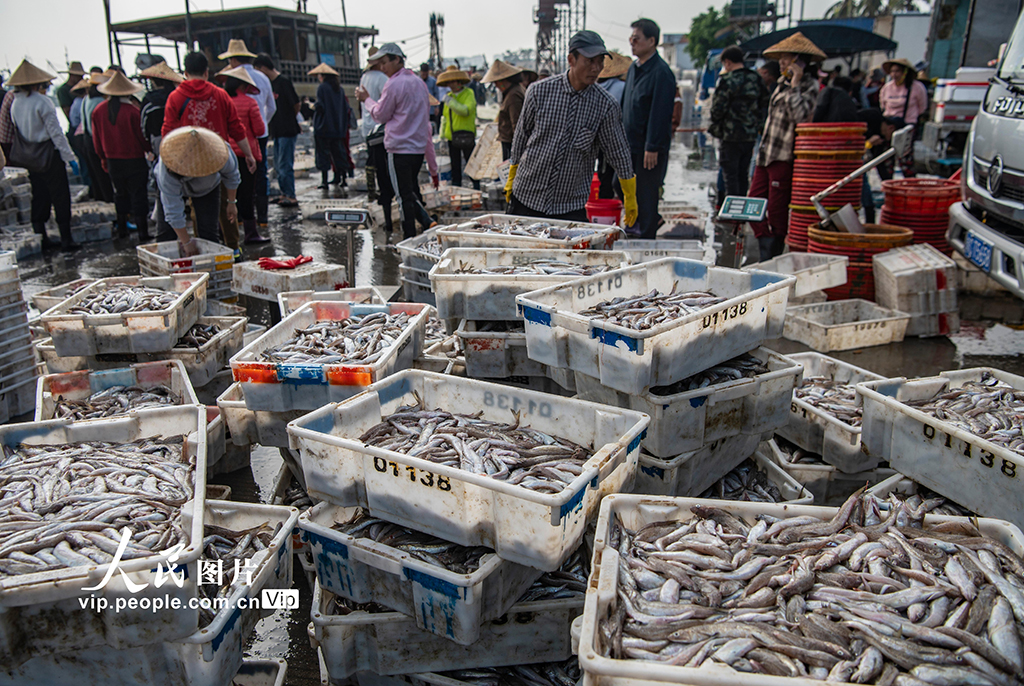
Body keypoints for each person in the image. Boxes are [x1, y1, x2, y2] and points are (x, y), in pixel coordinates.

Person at [506, 30, 636, 224]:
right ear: (571, 60)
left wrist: (629, 194)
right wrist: (512, 173)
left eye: (600, 61)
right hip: (527, 196)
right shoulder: (539, 91)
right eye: (590, 61)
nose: (596, 68)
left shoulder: (605, 105)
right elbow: (521, 137)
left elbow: (618, 151)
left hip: (569, 205)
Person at [162, 51, 256, 257]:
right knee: (223, 210)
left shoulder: (175, 97)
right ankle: (231, 250)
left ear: (185, 73)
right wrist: (248, 154)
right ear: (207, 72)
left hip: (184, 163)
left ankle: (204, 256)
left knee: (199, 214)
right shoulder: (220, 94)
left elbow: (167, 132)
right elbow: (236, 127)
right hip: (217, 158)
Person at [749, 32, 823, 261]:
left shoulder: (809, 86)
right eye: (781, 58)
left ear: (800, 61)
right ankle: (765, 246)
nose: (781, 62)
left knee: (778, 211)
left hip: (784, 156)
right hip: (766, 154)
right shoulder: (780, 84)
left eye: (787, 58)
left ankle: (772, 257)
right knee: (753, 203)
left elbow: (800, 116)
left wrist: (796, 84)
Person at [356, 43, 438, 239]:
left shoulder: (393, 84)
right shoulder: (419, 83)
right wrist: (433, 168)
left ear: (397, 60)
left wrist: (366, 99)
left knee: (403, 198)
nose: (383, 67)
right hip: (417, 150)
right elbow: (425, 124)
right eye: (380, 63)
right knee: (407, 192)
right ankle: (426, 223)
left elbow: (380, 114)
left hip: (399, 149)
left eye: (385, 62)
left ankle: (409, 240)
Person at [6, 60, 79, 251]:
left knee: (39, 196)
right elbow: (55, 133)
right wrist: (69, 157)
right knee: (60, 196)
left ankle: (42, 238)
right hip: (49, 156)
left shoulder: (15, 103)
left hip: (30, 157)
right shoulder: (42, 102)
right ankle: (66, 239)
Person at [622, 19, 678, 239]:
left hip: (648, 148)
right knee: (623, 185)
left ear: (652, 41)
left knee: (646, 194)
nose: (632, 43)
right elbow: (626, 104)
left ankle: (646, 238)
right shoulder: (634, 69)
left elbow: (660, 112)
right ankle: (639, 226)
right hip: (630, 143)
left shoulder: (661, 73)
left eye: (637, 38)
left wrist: (652, 146)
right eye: (631, 39)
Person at [156, 127, 240, 256]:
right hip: (173, 185)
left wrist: (231, 202)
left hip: (208, 188)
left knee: (208, 234)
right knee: (165, 235)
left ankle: (209, 270)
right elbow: (173, 211)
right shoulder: (168, 168)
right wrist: (186, 243)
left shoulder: (220, 152)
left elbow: (232, 176)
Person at [220, 40, 276, 230]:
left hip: (230, 144)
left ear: (233, 59)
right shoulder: (262, 78)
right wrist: (259, 127)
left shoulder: (226, 97)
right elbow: (271, 108)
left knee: (233, 180)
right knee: (259, 177)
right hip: (254, 140)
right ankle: (261, 219)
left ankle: (238, 220)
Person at [91, 71, 151, 240]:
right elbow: (141, 137)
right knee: (139, 195)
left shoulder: (98, 111)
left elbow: (97, 140)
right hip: (134, 160)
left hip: (112, 160)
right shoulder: (132, 111)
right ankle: (143, 232)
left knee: (120, 195)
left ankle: (122, 230)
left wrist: (103, 158)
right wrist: (149, 150)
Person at [215, 66, 269, 247]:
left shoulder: (220, 101)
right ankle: (250, 233)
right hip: (246, 155)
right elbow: (260, 130)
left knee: (226, 198)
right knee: (246, 195)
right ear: (244, 85)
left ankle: (227, 236)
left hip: (223, 154)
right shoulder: (250, 103)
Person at [709, 45, 768, 202]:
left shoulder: (727, 80)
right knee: (743, 173)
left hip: (730, 136)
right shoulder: (756, 79)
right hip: (750, 136)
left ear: (727, 62)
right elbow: (764, 105)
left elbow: (717, 109)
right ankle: (742, 210)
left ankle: (732, 213)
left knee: (730, 176)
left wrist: (716, 125)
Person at [254, 53, 301, 208]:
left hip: (288, 129)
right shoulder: (269, 83)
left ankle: (290, 195)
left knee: (285, 164)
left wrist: (289, 118)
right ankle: (283, 193)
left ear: (263, 68)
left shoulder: (283, 82)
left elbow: (296, 104)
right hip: (277, 130)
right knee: (279, 164)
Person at [879, 57, 927, 178]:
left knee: (906, 159)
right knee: (887, 159)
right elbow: (883, 106)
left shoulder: (917, 87)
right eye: (892, 71)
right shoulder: (887, 88)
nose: (894, 74)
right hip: (889, 126)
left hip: (907, 126)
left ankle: (909, 184)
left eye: (898, 71)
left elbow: (922, 107)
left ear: (905, 72)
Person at [309, 63, 352, 191]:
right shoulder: (339, 89)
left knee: (323, 155)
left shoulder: (322, 88)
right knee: (339, 154)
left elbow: (321, 107)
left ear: (322, 76)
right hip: (337, 128)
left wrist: (313, 106)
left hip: (323, 128)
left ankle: (324, 181)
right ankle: (343, 178)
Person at [595, 51, 631, 200]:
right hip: (617, 140)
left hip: (597, 142)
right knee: (618, 178)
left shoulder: (594, 88)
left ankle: (604, 206)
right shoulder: (623, 87)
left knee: (604, 177)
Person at [438, 66, 477, 189]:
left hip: (466, 135)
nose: (451, 84)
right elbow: (444, 118)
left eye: (453, 81)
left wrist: (450, 102)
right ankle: (457, 190)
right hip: (452, 137)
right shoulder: (449, 96)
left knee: (472, 165)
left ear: (459, 81)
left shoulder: (468, 94)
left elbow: (465, 111)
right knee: (455, 167)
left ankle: (477, 188)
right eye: (449, 82)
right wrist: (442, 138)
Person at [359, 47, 389, 200]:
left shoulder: (364, 77)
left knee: (371, 158)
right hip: (379, 126)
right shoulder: (382, 78)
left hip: (367, 125)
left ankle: (371, 189)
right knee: (382, 161)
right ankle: (384, 192)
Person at [80, 71, 115, 203]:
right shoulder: (100, 103)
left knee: (96, 175)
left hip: (87, 139)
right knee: (104, 176)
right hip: (96, 141)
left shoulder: (86, 99)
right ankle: (109, 201)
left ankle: (101, 198)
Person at [481, 59, 525, 161]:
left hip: (511, 143)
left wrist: (517, 150)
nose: (496, 86)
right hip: (509, 141)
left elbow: (517, 124)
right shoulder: (514, 91)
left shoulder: (513, 95)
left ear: (504, 80)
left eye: (496, 82)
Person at [139, 61, 183, 157]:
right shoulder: (177, 96)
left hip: (157, 139)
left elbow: (144, 125)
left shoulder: (149, 99)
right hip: (178, 137)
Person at [420, 62, 440, 131]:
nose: (424, 75)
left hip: (431, 109)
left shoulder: (433, 81)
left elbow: (436, 94)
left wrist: (437, 107)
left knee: (431, 127)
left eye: (426, 73)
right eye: (423, 73)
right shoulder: (417, 81)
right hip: (420, 110)